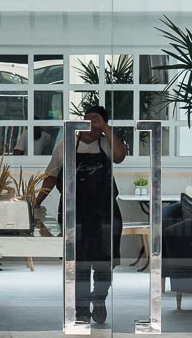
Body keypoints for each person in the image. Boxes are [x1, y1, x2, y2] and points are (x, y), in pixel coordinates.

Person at [34, 105, 125, 325]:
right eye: (88, 119)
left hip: (105, 213)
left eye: (96, 120)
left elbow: (120, 157)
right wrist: (35, 203)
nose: (91, 123)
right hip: (74, 213)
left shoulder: (106, 144)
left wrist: (105, 129)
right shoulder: (65, 145)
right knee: (78, 265)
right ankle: (81, 310)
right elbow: (51, 176)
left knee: (105, 264)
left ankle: (99, 298)